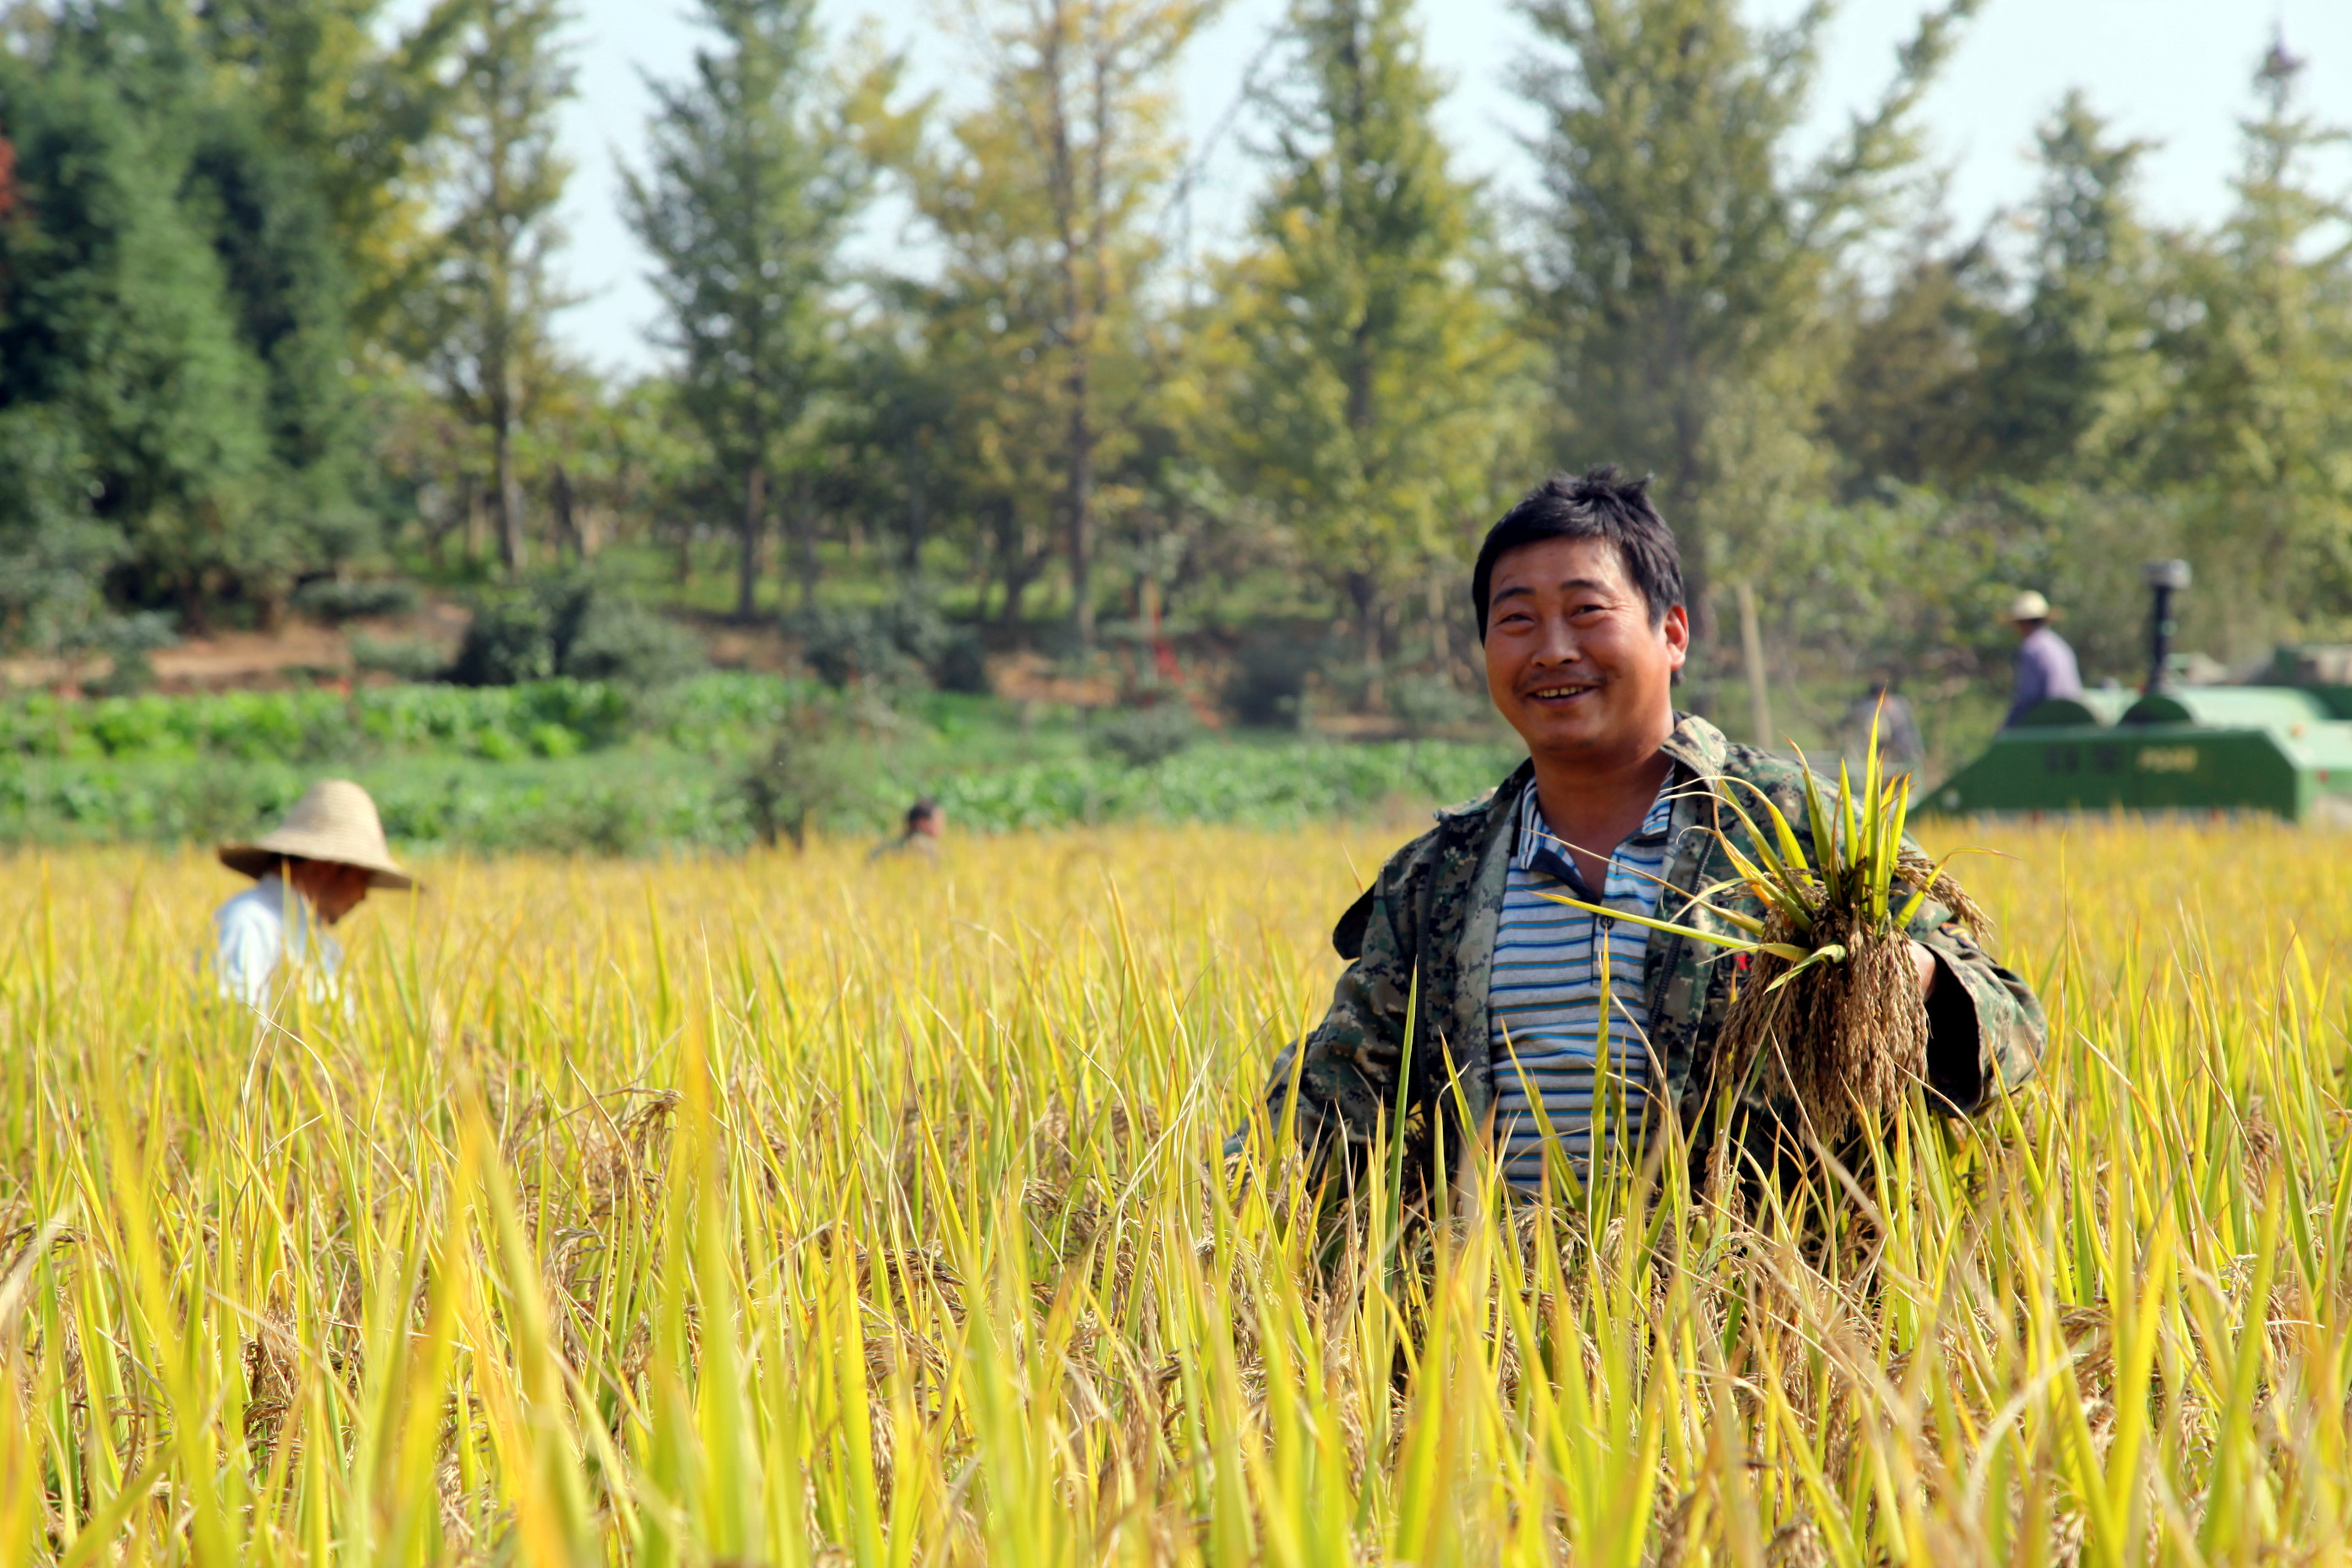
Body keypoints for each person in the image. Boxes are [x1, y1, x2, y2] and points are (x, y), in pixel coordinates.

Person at [1245, 466, 2045, 1195]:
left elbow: (2013, 1035)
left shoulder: (1799, 830)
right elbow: (1336, 1093)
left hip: (1759, 1326)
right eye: (1516, 620)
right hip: (1500, 1330)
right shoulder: (1441, 877)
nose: (1553, 650)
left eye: (1588, 612)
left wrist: (1914, 976)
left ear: (1673, 634)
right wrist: (1204, 1223)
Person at [211, 779, 414, 1013]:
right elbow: (233, 1023)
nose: (362, 897)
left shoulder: (324, 945)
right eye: (363, 879)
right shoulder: (249, 922)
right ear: (325, 867)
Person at [2004, 590, 2082, 727]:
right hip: (2073, 718)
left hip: (2048, 722)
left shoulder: (2031, 648)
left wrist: (2007, 729)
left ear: (2023, 623)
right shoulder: (2061, 646)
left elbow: (2028, 697)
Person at [1839, 679, 1925, 772]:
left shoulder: (1899, 706)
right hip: (1872, 751)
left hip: (1902, 753)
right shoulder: (1868, 708)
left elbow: (1908, 731)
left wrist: (1916, 749)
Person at [869, 797, 945, 862]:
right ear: (922, 823)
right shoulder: (925, 846)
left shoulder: (885, 847)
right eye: (939, 821)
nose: (942, 826)